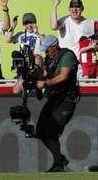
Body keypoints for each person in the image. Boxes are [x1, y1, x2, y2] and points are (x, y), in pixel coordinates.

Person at [36, 35, 79, 172]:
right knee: (41, 131)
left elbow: (64, 76)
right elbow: (46, 74)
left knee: (51, 132)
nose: (46, 53)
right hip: (54, 98)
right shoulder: (50, 59)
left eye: (47, 50)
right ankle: (59, 159)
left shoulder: (67, 55)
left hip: (67, 99)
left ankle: (58, 165)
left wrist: (46, 83)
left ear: (55, 46)